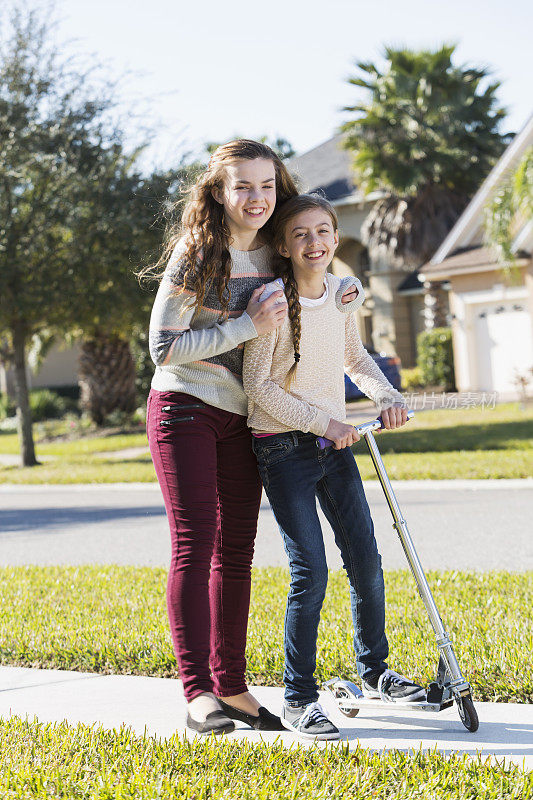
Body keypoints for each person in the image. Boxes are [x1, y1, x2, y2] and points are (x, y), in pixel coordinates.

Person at [144, 141, 361, 736]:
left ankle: (233, 688)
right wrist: (246, 325)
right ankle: (198, 695)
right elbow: (162, 347)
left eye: (268, 186)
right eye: (244, 187)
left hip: (243, 415)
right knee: (196, 543)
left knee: (236, 552)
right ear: (219, 192)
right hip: (184, 404)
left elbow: (319, 274)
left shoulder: (274, 250)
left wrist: (346, 291)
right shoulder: (199, 253)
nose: (258, 198)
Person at [242, 194, 425, 741]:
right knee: (311, 572)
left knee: (366, 557)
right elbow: (258, 389)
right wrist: (325, 424)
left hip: (334, 446)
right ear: (282, 244)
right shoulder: (271, 300)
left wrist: (385, 396)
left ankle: (373, 672)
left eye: (323, 231)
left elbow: (356, 358)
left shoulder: (343, 296)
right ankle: (297, 698)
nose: (314, 242)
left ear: (336, 237)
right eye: (300, 234)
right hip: (283, 447)